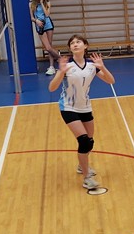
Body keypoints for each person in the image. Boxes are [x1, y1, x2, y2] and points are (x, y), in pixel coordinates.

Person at [48, 34, 116, 190]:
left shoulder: (92, 66)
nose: (75, 44)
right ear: (70, 48)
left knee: (89, 141)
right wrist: (61, 72)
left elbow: (111, 81)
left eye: (78, 42)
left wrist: (102, 67)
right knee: (84, 141)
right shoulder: (67, 67)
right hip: (68, 107)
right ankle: (87, 178)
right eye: (72, 43)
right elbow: (51, 88)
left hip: (85, 107)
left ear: (85, 46)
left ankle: (81, 165)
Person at [30, 0, 60, 76]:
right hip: (40, 26)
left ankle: (51, 67)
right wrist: (36, 21)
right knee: (48, 48)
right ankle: (60, 57)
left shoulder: (47, 2)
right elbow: (32, 17)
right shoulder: (31, 4)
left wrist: (42, 3)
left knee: (50, 45)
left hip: (48, 24)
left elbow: (47, 14)